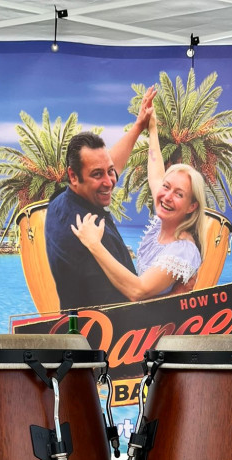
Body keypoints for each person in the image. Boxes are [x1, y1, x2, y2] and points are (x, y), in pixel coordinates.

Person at [70, 104, 206, 302]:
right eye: (166, 187)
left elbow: (138, 291)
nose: (167, 196)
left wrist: (93, 244)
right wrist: (152, 128)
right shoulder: (164, 221)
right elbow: (156, 175)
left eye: (179, 194)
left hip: (156, 321)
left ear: (192, 206)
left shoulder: (182, 250)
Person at [45, 87, 156, 310]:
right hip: (107, 328)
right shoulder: (91, 232)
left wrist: (138, 126)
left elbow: (105, 167)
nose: (110, 181)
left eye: (110, 171)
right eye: (97, 174)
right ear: (73, 176)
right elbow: (134, 297)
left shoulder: (59, 201)